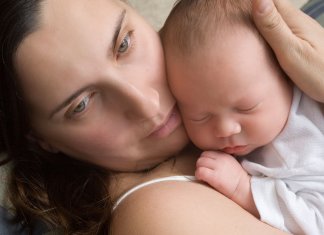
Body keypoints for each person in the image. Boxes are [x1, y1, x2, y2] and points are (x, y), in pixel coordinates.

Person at [0, 0, 323, 234]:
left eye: (124, 44)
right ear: (42, 141)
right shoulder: (163, 218)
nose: (146, 104)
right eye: (81, 105)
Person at [161, 0, 324, 234]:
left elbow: (317, 221)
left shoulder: (298, 149)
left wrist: (246, 190)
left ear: (287, 73)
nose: (225, 129)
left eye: (246, 107)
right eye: (200, 117)